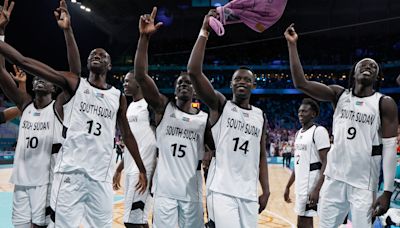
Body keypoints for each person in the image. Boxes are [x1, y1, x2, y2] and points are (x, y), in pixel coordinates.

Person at [0, 5, 147, 228]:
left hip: (100, 178)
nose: (96, 55)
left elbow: (127, 134)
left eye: (102, 55)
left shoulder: (117, 97)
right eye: (92, 54)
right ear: (87, 63)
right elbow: (23, 62)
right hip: (70, 174)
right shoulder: (75, 85)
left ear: (109, 64)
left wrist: (142, 168)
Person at [285, 24, 398, 227]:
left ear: (377, 77)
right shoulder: (339, 95)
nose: (369, 66)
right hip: (334, 178)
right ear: (353, 73)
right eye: (363, 64)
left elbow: (390, 148)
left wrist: (387, 191)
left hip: (364, 183)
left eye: (374, 66)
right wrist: (292, 45)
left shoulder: (384, 103)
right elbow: (301, 83)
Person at [187, 10, 270, 228]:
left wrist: (267, 189)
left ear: (254, 85)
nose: (242, 82)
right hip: (222, 190)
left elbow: (261, 154)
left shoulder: (260, 116)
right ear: (231, 84)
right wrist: (204, 30)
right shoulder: (220, 105)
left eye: (247, 79)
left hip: (249, 193)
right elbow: (193, 72)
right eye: (237, 79)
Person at [133, 8, 213, 228]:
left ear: (195, 91)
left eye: (188, 83)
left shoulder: (204, 119)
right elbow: (140, 75)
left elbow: (214, 150)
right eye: (179, 83)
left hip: (193, 193)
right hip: (164, 192)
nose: (183, 85)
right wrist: (144, 38)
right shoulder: (162, 108)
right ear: (175, 90)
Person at [0, 1, 64, 227]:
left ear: (54, 87)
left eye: (44, 78)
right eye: (36, 77)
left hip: (45, 183)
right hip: (20, 182)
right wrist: (1, 33)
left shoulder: (59, 109)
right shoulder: (25, 105)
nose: (38, 78)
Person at [113, 71, 157, 228]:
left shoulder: (149, 106)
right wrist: (119, 169)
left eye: (127, 81)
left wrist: (153, 174)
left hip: (145, 171)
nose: (124, 84)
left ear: (138, 83)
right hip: (132, 169)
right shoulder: (130, 107)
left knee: (131, 221)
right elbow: (133, 144)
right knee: (140, 220)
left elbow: (157, 142)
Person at [284, 98, 330, 228]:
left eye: (304, 111)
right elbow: (298, 164)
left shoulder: (319, 131)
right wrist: (288, 186)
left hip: (311, 184)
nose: (300, 114)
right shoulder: (299, 133)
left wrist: (316, 188)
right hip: (300, 184)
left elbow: (327, 162)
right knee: (301, 220)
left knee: (306, 221)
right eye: (299, 111)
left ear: (313, 114)